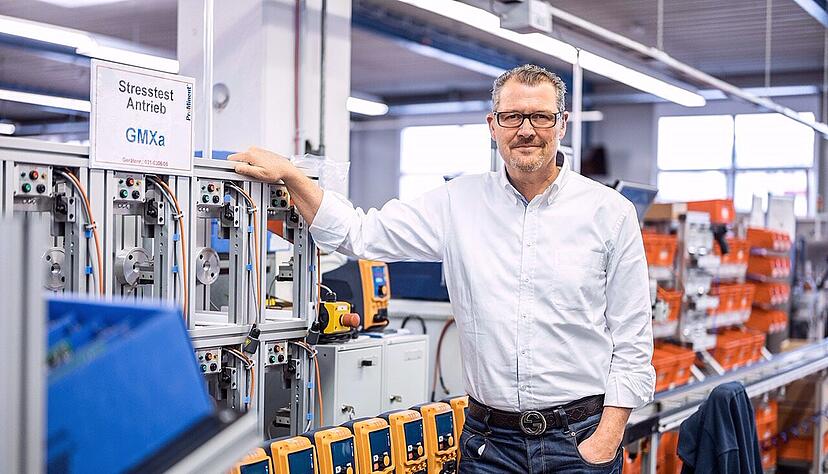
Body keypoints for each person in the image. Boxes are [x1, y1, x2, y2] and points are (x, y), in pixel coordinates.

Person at [230, 64, 654, 473]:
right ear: (493, 126)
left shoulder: (609, 213)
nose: (526, 130)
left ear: (561, 124)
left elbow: (633, 339)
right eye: (512, 117)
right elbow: (361, 233)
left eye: (540, 116)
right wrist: (290, 174)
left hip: (579, 440)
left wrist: (606, 438)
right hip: (491, 444)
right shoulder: (458, 202)